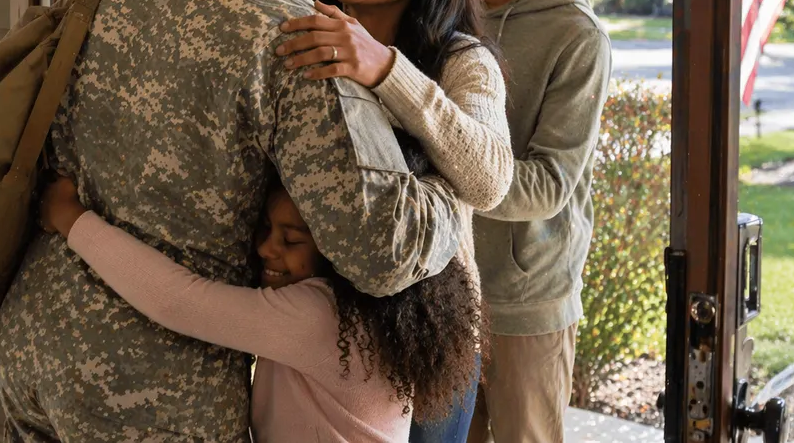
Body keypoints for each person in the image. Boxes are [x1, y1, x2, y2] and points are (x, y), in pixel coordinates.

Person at [0, 0, 466, 443]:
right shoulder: (298, 35)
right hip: (153, 383)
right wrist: (449, 193)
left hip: (31, 338)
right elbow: (380, 250)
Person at [69, 0, 514, 442]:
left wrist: (385, 69)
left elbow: (492, 179)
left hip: (415, 341)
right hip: (310, 322)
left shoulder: (461, 60)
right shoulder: (296, 17)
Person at [37, 131, 482, 443]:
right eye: (265, 229)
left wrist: (71, 218)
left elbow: (178, 300)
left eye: (292, 240)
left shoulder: (320, 318)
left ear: (339, 247)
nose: (267, 249)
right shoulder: (381, 309)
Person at [453, 0, 613, 443]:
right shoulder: (450, 9)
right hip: (446, 289)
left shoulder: (577, 35)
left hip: (526, 300)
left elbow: (548, 184)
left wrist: (454, 165)